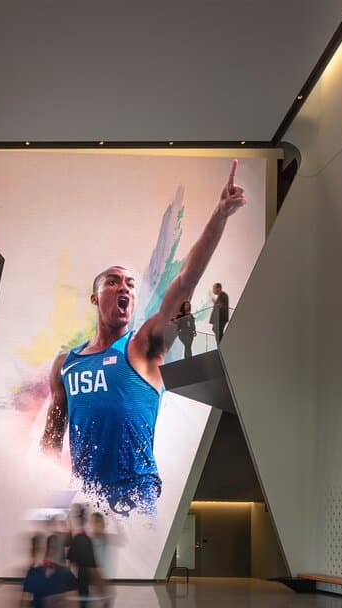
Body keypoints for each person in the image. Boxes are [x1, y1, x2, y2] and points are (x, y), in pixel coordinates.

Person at [41, 160, 246, 518]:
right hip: (86, 502)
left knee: (132, 577)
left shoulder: (143, 345)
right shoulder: (66, 363)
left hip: (135, 496)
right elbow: (50, 440)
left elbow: (184, 280)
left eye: (131, 285)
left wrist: (220, 214)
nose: (124, 287)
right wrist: (48, 508)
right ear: (95, 297)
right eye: (113, 281)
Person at [89, 512, 119, 608]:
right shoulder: (89, 541)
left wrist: (116, 520)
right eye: (94, 523)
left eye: (98, 523)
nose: (96, 526)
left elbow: (121, 539)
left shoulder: (107, 539)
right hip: (92, 586)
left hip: (106, 586)